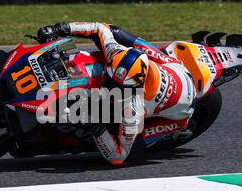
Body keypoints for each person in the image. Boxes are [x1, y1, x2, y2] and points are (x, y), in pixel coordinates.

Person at [37, 22, 197, 165]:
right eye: (110, 78)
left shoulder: (134, 109)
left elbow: (118, 155)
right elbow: (99, 28)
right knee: (114, 31)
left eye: (118, 86)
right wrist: (61, 28)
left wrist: (95, 125)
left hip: (181, 111)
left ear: (133, 88)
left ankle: (172, 133)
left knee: (131, 152)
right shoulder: (116, 52)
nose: (110, 85)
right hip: (174, 67)